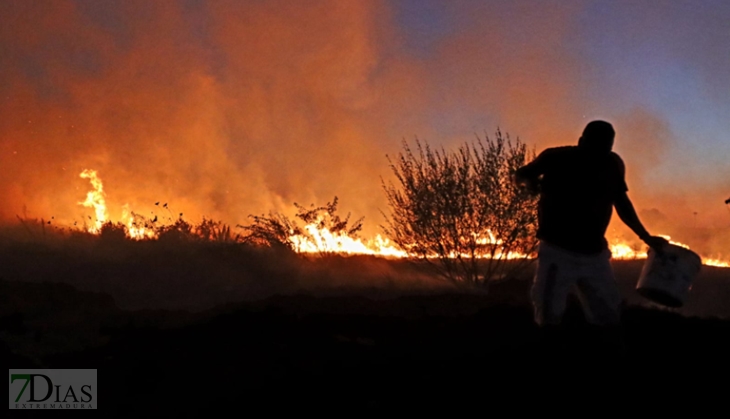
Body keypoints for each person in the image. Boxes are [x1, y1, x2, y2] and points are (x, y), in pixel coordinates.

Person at [514, 120, 667, 351]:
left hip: (594, 255)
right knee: (548, 314)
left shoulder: (613, 164)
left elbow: (622, 203)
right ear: (581, 142)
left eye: (606, 147)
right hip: (557, 252)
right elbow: (522, 174)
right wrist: (529, 183)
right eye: (596, 146)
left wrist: (647, 237)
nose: (601, 153)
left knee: (608, 313)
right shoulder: (556, 158)